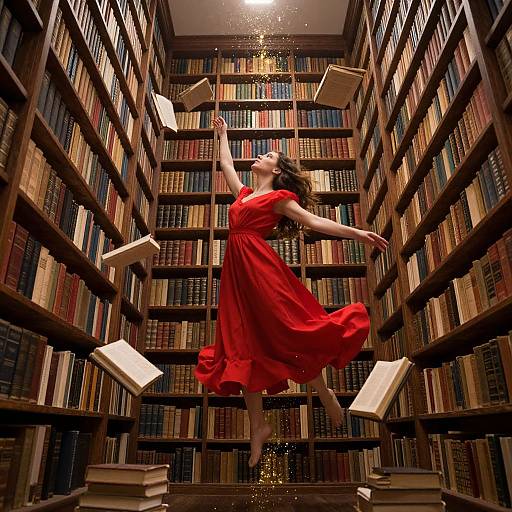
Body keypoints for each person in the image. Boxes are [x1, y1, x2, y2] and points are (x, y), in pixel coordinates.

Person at [194, 116, 388, 468]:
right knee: (242, 345)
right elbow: (225, 165)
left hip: (261, 273)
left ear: (277, 169)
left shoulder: (279, 198)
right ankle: (257, 427)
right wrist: (223, 134)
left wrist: (359, 234)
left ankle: (323, 391)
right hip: (236, 277)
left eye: (268, 154)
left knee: (284, 335)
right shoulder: (245, 195)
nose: (259, 156)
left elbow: (314, 222)